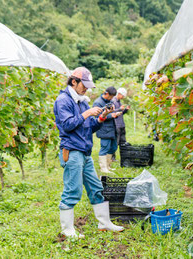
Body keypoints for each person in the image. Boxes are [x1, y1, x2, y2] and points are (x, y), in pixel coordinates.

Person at [54, 67, 124, 238]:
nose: (85, 89)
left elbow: (89, 127)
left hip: (85, 152)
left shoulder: (81, 101)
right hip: (72, 151)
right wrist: (86, 114)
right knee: (73, 190)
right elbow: (68, 125)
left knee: (96, 187)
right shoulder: (63, 101)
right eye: (83, 85)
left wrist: (101, 117)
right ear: (73, 82)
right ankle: (67, 229)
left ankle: (104, 223)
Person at [93, 86, 122, 175]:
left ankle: (108, 166)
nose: (112, 98)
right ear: (106, 94)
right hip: (104, 129)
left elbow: (109, 111)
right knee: (104, 147)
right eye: (111, 96)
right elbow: (97, 117)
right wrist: (111, 116)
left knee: (113, 147)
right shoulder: (97, 102)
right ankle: (103, 168)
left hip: (111, 128)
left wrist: (116, 112)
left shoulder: (109, 101)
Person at [111, 88, 130, 162]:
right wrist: (119, 108)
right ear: (119, 94)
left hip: (121, 124)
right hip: (116, 125)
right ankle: (112, 158)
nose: (123, 97)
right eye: (123, 96)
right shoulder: (113, 101)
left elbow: (120, 113)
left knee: (123, 141)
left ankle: (124, 156)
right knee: (116, 142)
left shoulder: (119, 102)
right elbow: (111, 112)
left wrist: (125, 110)